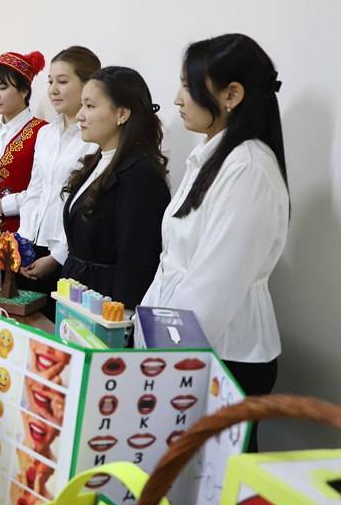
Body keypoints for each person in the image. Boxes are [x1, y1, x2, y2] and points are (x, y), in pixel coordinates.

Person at [140, 34, 288, 449]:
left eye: (187, 86)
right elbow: (176, 262)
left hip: (221, 353)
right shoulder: (213, 156)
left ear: (231, 95)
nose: (177, 98)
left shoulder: (248, 169)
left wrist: (165, 361)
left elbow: (214, 287)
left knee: (213, 481)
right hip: (188, 345)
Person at [61, 66, 170, 309]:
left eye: (90, 106)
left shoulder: (141, 174)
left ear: (122, 113)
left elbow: (138, 262)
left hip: (107, 303)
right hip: (79, 293)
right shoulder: (97, 160)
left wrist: (122, 316)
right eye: (82, 105)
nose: (79, 115)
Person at [18, 47, 101, 310]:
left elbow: (88, 207)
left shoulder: (93, 139)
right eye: (50, 81)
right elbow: (35, 190)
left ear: (88, 85)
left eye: (63, 82)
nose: (53, 90)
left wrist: (57, 257)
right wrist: (21, 241)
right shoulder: (46, 133)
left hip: (66, 255)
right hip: (31, 247)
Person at [0, 51, 48, 232]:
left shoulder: (42, 131)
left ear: (24, 91)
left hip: (23, 227)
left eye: (2, 88)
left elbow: (42, 189)